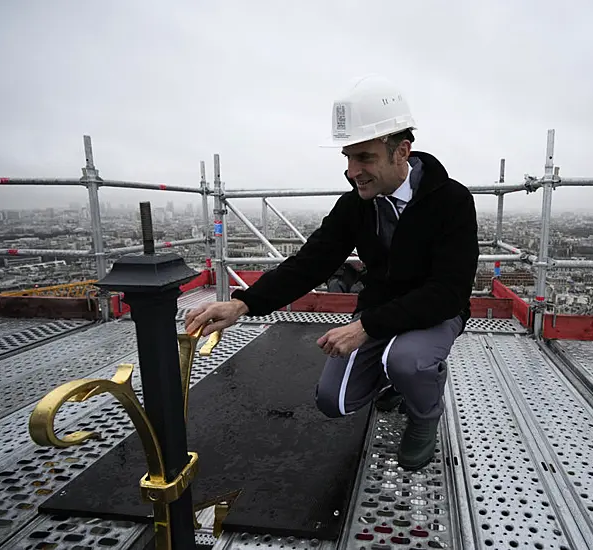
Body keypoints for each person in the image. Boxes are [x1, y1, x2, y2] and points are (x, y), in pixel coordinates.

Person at [186, 74, 479, 471]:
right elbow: (312, 261)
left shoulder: (451, 201)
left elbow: (447, 291)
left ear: (402, 152)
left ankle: (425, 414)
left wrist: (365, 327)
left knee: (408, 360)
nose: (351, 170)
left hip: (435, 313)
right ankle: (399, 382)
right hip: (382, 311)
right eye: (348, 157)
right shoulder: (356, 206)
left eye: (365, 158)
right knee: (334, 401)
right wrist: (243, 304)